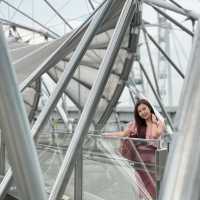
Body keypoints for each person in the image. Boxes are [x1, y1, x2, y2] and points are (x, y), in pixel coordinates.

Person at [104, 99, 165, 199]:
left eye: (144, 109)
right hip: (139, 161)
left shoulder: (159, 123)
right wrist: (106, 135)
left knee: (153, 187)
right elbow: (123, 134)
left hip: (153, 162)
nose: (142, 113)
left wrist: (152, 122)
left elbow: (155, 135)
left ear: (149, 108)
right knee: (141, 188)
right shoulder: (136, 125)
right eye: (139, 111)